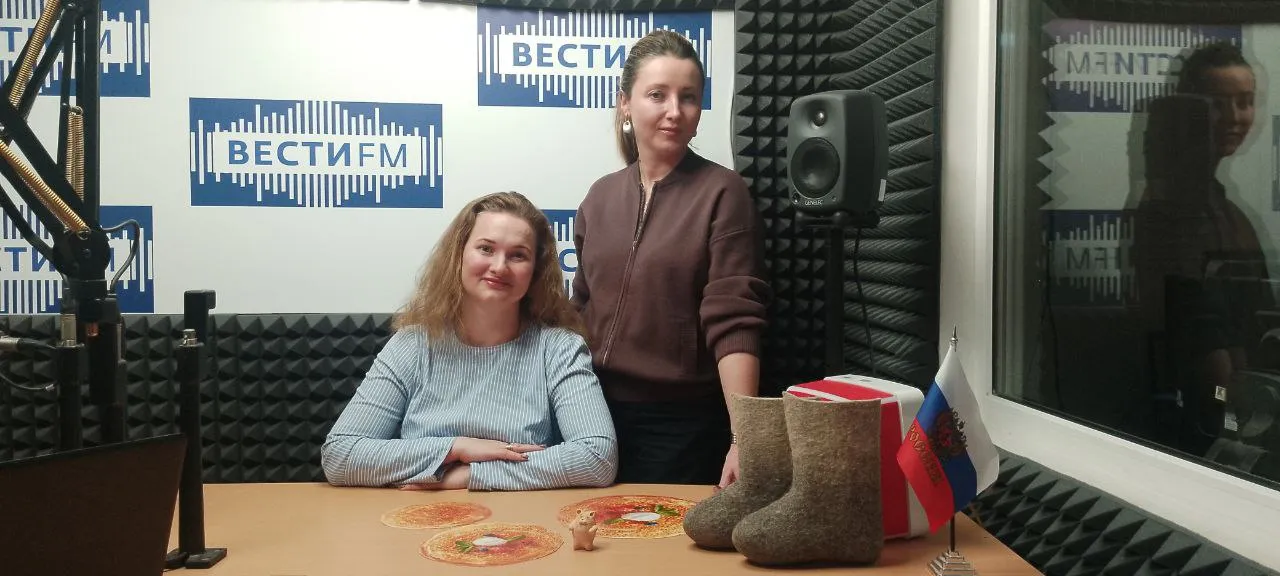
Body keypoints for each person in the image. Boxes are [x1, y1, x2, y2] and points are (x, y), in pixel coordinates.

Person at [571, 30, 771, 487]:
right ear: (625, 103)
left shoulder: (723, 193)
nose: (674, 111)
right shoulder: (600, 197)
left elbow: (734, 318)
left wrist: (743, 438)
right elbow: (578, 309)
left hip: (681, 427)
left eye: (688, 97)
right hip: (591, 417)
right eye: (657, 95)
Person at [321, 192, 618, 491]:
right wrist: (457, 448)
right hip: (419, 513)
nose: (499, 267)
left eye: (518, 255)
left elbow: (596, 459)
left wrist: (466, 476)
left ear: (535, 271)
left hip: (522, 517)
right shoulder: (411, 345)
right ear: (459, 254)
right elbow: (340, 455)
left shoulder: (560, 349)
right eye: (486, 249)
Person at [1130, 42, 1274, 456]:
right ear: (1188, 112)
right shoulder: (1173, 211)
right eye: (1216, 104)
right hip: (1215, 434)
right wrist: (1235, 428)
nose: (1234, 117)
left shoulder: (1225, 208)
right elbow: (1203, 345)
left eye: (1245, 102)